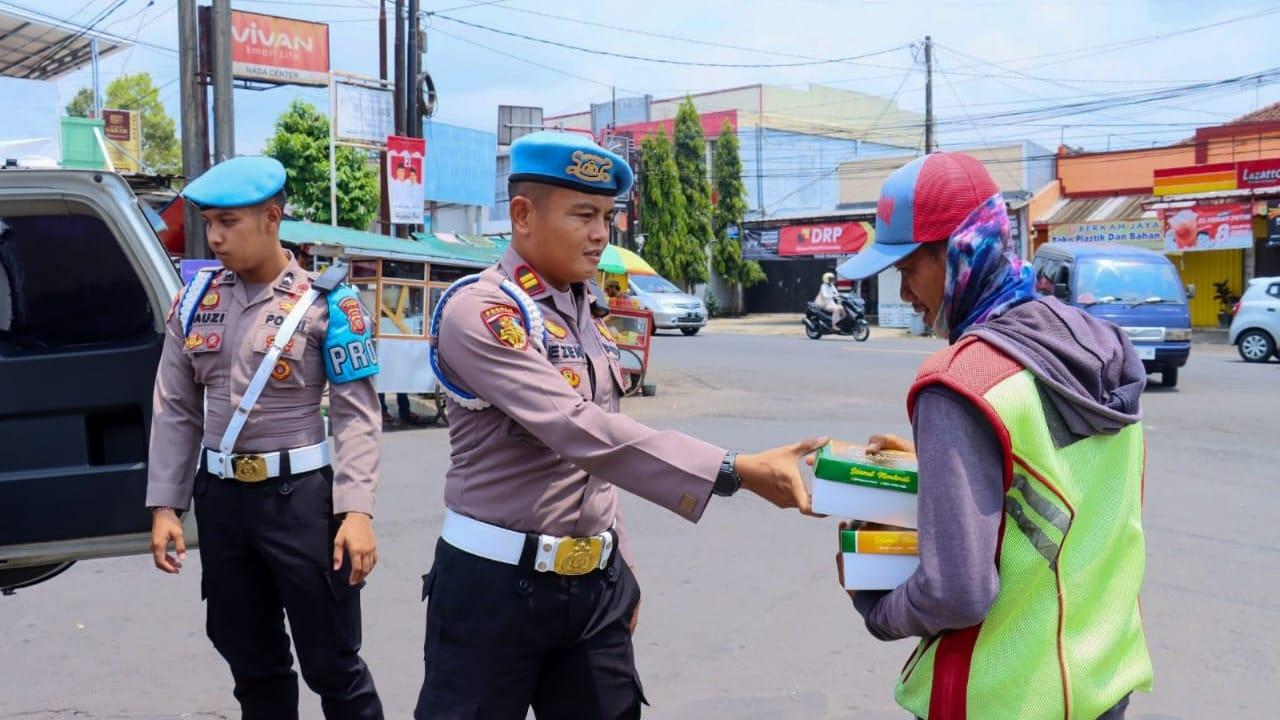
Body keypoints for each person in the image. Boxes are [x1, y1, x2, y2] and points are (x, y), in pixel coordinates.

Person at [417, 131, 825, 719]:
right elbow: (576, 428)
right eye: (583, 215)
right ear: (522, 215)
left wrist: (619, 561)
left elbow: (603, 457)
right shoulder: (483, 311)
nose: (601, 234)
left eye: (607, 216)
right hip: (493, 589)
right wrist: (733, 469)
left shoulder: (589, 311)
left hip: (593, 590)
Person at [833, 152, 1152, 720]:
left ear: (960, 251)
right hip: (1101, 684)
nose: (904, 294)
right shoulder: (1092, 345)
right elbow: (1056, 482)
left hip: (1005, 699)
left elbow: (956, 591)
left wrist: (876, 606)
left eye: (908, 270)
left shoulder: (959, 382)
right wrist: (940, 463)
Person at [146, 156, 386, 720]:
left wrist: (357, 511)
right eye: (209, 223)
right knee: (251, 664)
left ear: (272, 218)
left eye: (229, 222)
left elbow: (357, 416)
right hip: (224, 504)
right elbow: (176, 408)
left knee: (332, 663)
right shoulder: (195, 301)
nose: (216, 236)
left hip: (300, 502)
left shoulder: (329, 304)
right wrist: (165, 504)